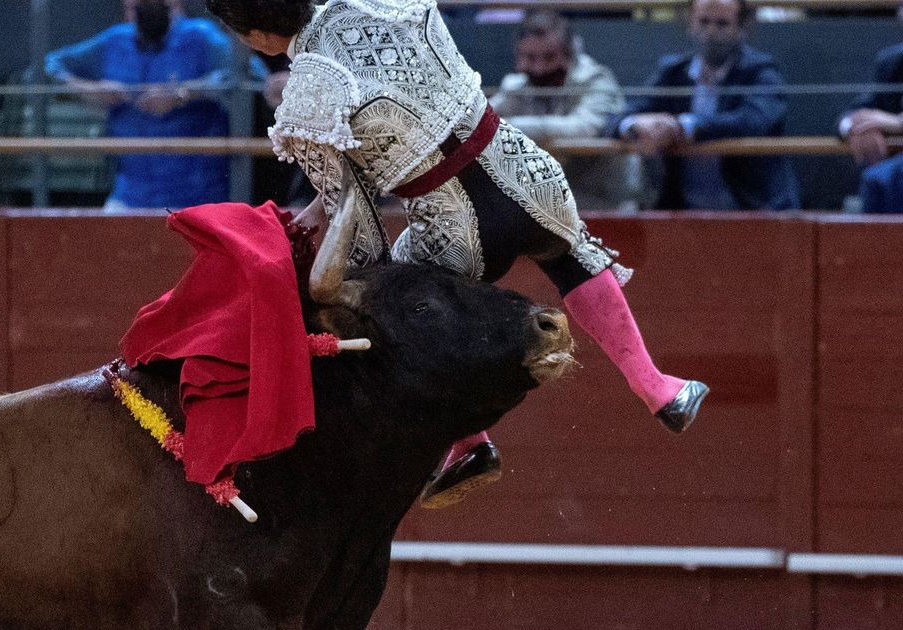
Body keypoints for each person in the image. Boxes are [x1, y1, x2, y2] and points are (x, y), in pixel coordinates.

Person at [205, 0, 706, 509]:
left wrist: (355, 270)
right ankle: (658, 388)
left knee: (401, 306)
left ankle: (470, 444)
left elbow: (353, 217)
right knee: (570, 254)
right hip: (522, 166)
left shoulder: (308, 93)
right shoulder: (371, 2)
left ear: (252, 34)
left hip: (456, 227)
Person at [45, 0, 264, 210]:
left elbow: (253, 74)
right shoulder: (115, 40)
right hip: (129, 195)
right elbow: (47, 68)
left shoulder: (200, 36)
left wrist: (184, 93)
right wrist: (88, 89)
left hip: (197, 197)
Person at [614, 0, 800, 211]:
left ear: (742, 27)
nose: (710, 32)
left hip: (754, 212)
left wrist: (684, 127)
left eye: (722, 24)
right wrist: (635, 125)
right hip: (682, 215)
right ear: (690, 24)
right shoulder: (673, 71)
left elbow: (752, 121)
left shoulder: (761, 72)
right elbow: (619, 118)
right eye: (703, 22)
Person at [490, 11, 641, 211]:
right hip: (550, 204)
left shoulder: (596, 80)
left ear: (569, 54)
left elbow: (585, 128)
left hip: (606, 203)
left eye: (549, 57)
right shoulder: (517, 86)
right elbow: (483, 118)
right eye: (530, 57)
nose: (539, 68)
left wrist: (507, 126)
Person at [839, 41, 903, 213]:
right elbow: (853, 115)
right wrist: (858, 127)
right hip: (891, 184)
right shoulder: (893, 60)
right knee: (879, 179)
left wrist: (898, 123)